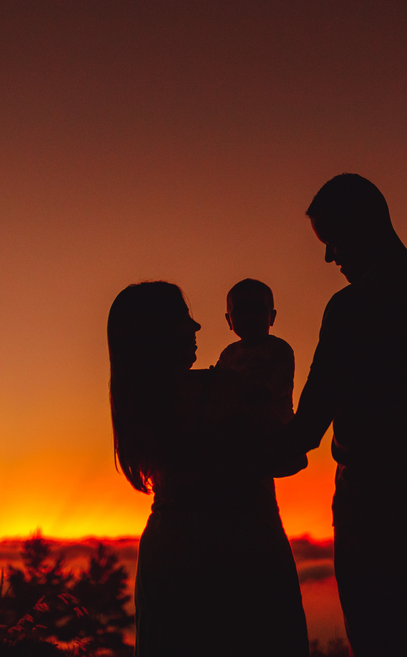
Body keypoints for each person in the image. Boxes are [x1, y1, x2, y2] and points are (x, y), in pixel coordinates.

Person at [287, 174, 407, 657]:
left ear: (364, 225)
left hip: (371, 509)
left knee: (376, 641)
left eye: (333, 240)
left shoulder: (353, 306)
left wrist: (231, 449)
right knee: (403, 636)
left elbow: (308, 424)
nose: (329, 257)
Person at [108, 281, 309, 657]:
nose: (197, 326)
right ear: (163, 332)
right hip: (243, 550)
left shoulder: (138, 402)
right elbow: (291, 459)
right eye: (185, 318)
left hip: (167, 554)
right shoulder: (224, 387)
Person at [215, 278, 295, 423]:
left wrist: (263, 393)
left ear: (272, 317)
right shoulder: (229, 354)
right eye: (240, 311)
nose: (249, 317)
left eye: (258, 310)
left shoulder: (280, 349)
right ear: (229, 320)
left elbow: (282, 382)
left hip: (277, 425)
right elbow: (217, 381)